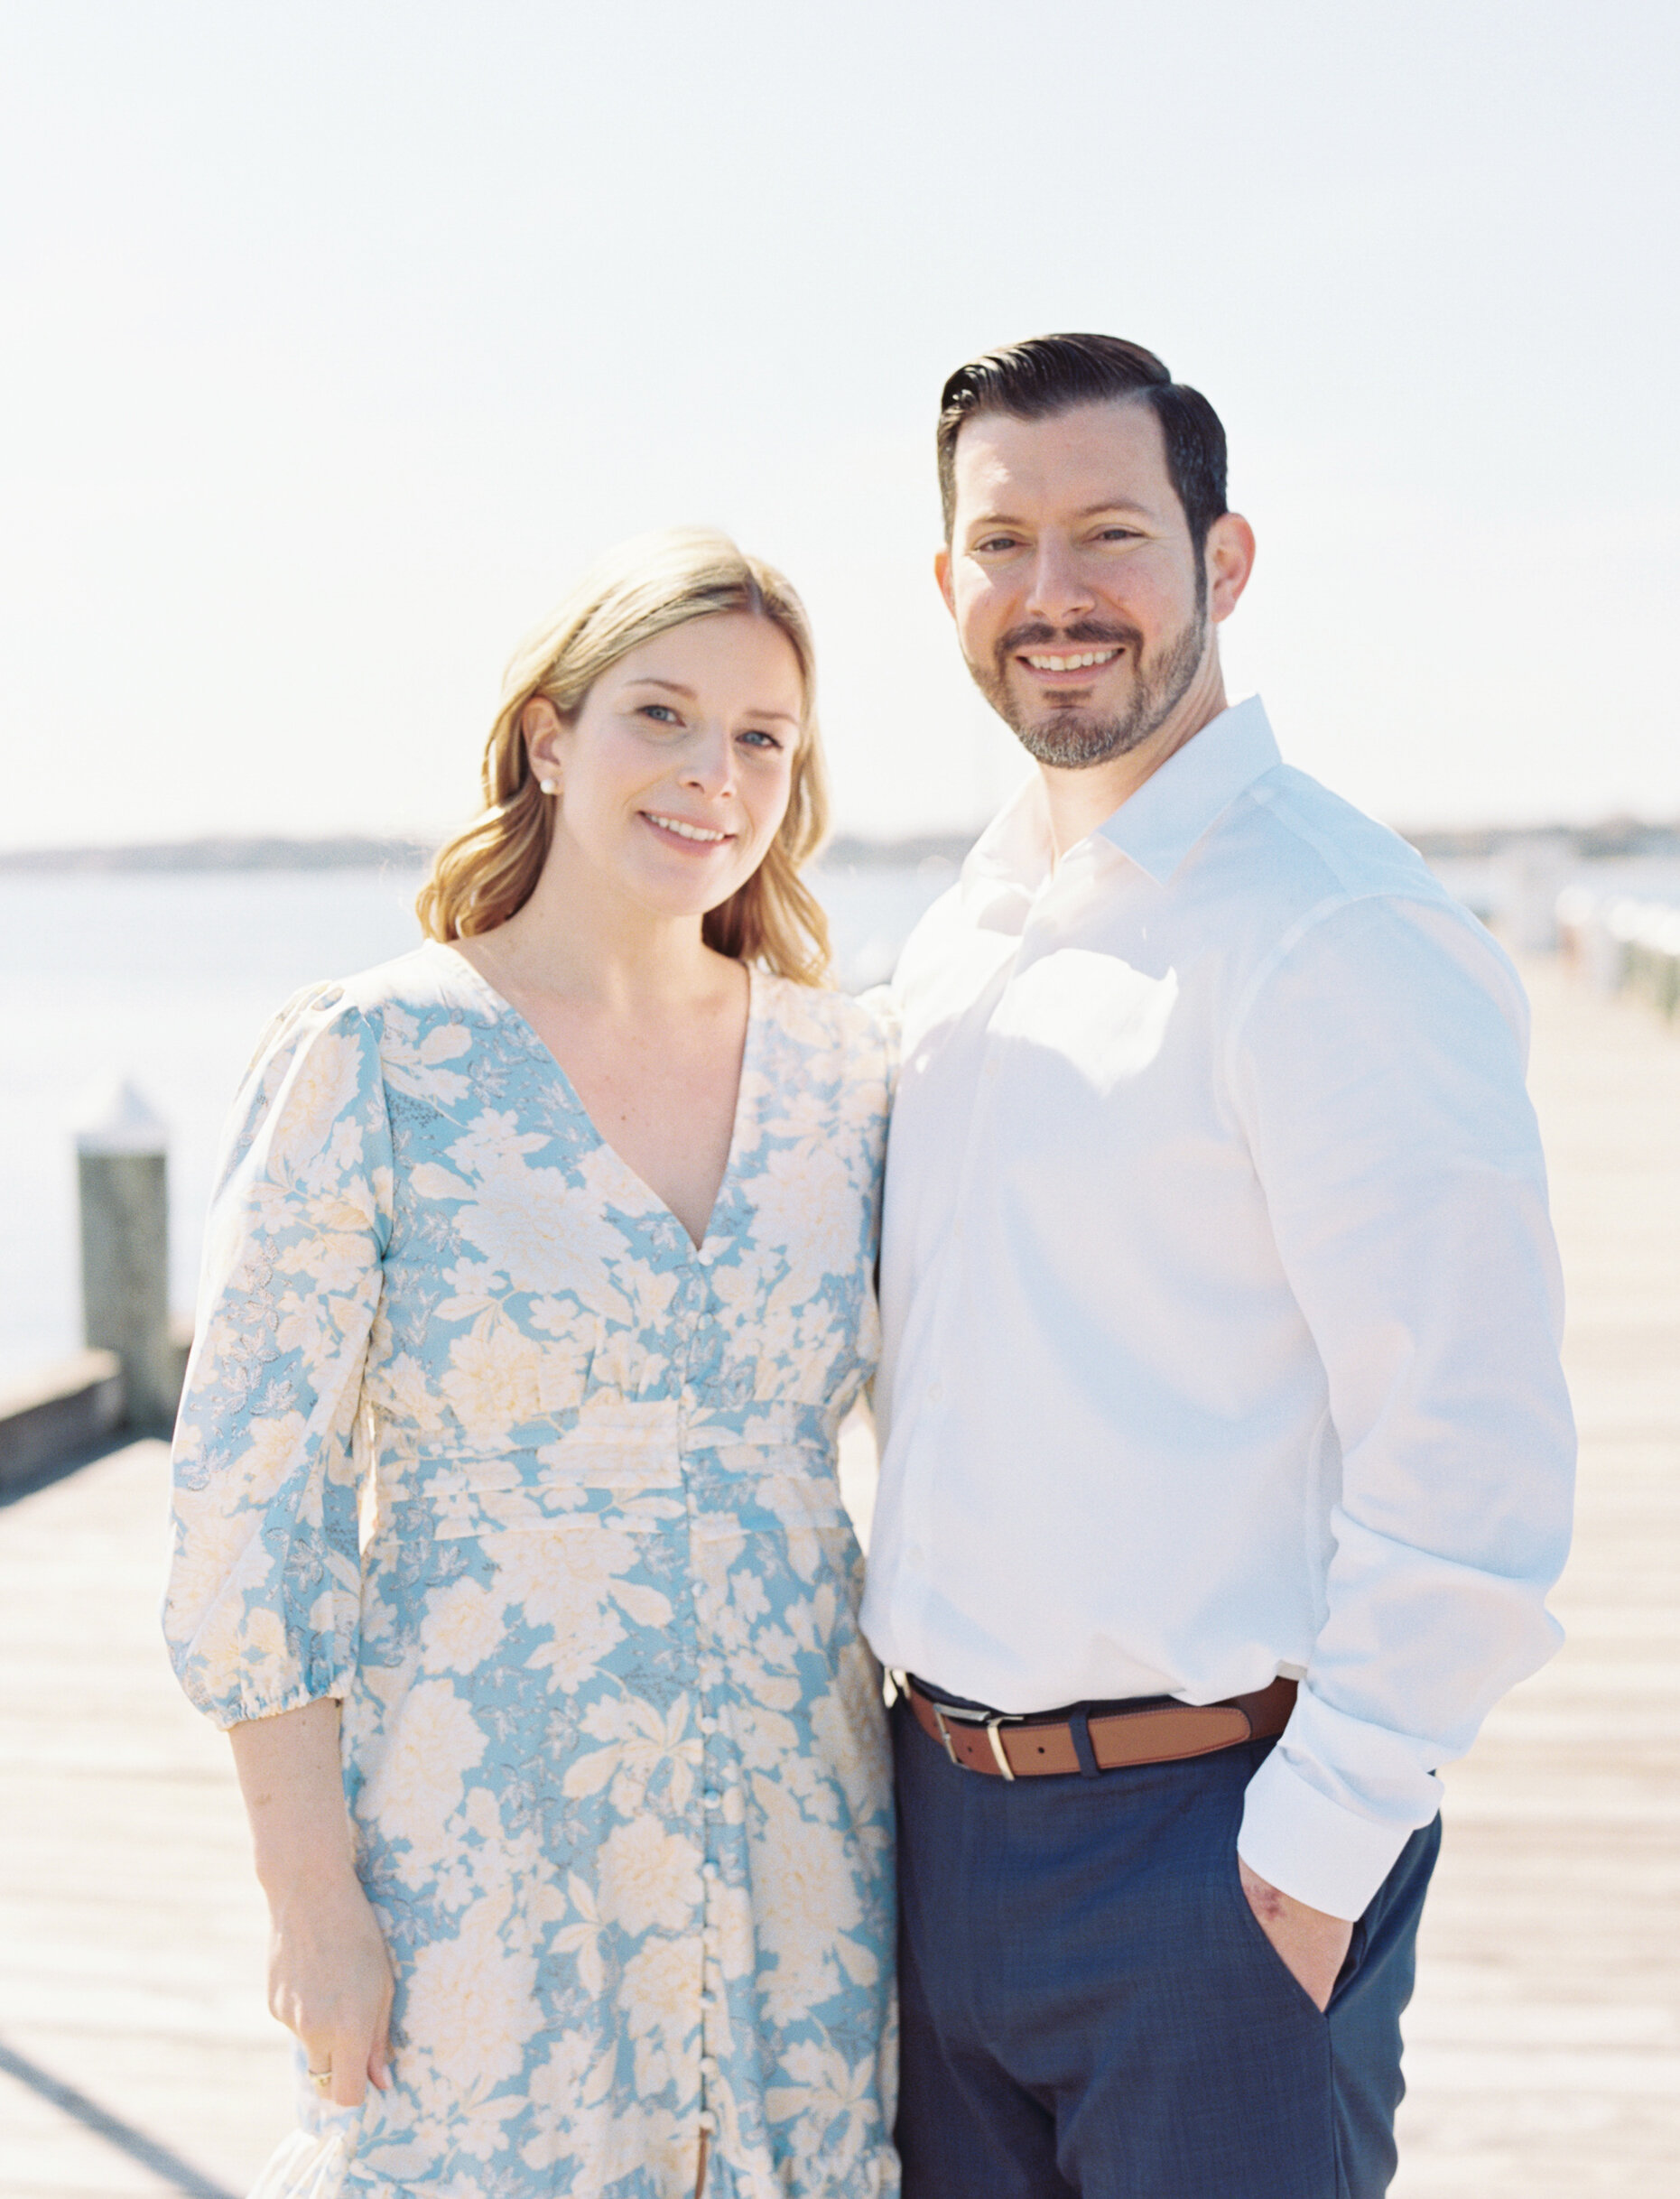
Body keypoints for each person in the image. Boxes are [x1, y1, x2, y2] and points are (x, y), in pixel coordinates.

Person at [860, 335, 1576, 2198]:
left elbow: (1475, 1452)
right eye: (1000, 543)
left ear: (1222, 561)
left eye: (1108, 533)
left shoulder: (1332, 927)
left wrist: (1310, 1859)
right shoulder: (960, 929)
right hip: (926, 1834)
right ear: (945, 585)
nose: (1051, 594)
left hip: (1213, 1854)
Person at [164, 528, 899, 2199]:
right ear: (550, 738)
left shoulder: (846, 1071)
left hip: (808, 1851)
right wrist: (312, 1898)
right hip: (480, 1848)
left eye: (763, 737)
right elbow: (249, 1507)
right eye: (663, 716)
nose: (715, 774)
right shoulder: (373, 1057)